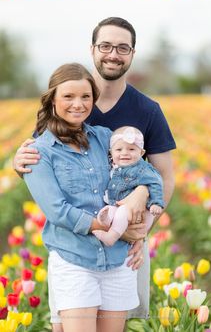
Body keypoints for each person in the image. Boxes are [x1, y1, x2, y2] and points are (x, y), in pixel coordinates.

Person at [14, 17, 177, 329]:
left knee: (129, 317)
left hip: (123, 250)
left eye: (122, 47)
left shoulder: (132, 119)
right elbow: (41, 168)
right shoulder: (48, 139)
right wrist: (17, 161)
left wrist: (139, 227)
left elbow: (159, 175)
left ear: (132, 53)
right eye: (105, 46)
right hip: (74, 254)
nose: (113, 54)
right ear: (92, 49)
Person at [22, 63, 145, 331]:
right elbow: (58, 211)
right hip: (74, 260)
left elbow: (138, 174)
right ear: (52, 99)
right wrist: (116, 229)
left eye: (86, 96)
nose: (78, 104)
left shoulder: (106, 139)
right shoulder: (39, 151)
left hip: (117, 261)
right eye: (68, 96)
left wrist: (141, 199)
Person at [93, 126, 165, 247]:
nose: (124, 153)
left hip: (141, 214)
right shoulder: (114, 167)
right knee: (110, 210)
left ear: (141, 153)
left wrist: (156, 203)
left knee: (121, 211)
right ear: (111, 152)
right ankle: (106, 220)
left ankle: (111, 236)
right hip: (122, 208)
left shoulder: (143, 169)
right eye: (119, 150)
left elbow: (156, 183)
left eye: (131, 149)